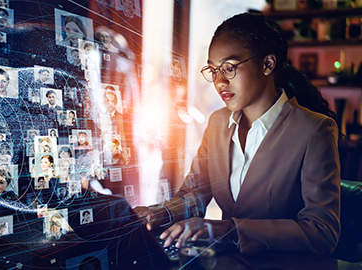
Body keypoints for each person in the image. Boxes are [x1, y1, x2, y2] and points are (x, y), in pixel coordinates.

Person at [137, 13, 340, 255]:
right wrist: (157, 213)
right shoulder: (217, 123)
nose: (219, 81)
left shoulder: (314, 130)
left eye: (229, 68)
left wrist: (229, 230)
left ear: (267, 64)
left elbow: (322, 232)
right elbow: (196, 194)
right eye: (213, 70)